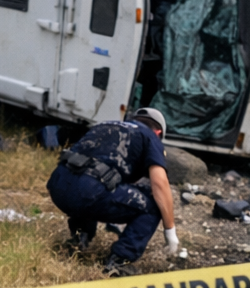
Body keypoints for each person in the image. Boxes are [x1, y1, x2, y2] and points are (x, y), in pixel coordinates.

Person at [47, 108, 180, 276]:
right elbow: (160, 185)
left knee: (91, 181)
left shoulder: (105, 125)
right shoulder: (150, 136)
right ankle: (119, 261)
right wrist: (170, 230)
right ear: (158, 132)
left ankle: (80, 238)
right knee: (153, 204)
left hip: (57, 187)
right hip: (88, 193)